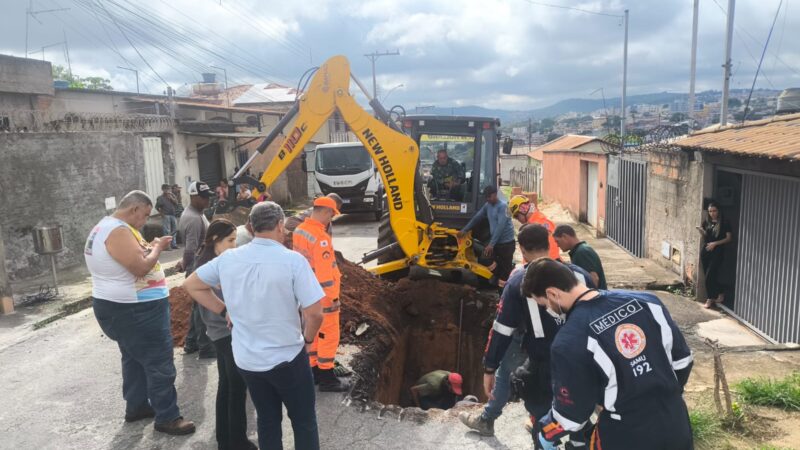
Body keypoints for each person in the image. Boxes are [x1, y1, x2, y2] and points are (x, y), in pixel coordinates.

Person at [183, 201, 325, 450]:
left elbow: (192, 285)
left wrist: (223, 309)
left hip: (248, 360)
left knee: (268, 421)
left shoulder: (228, 259)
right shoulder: (293, 261)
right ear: (281, 225)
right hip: (288, 357)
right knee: (303, 421)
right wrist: (308, 340)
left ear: (251, 226)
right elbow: (315, 314)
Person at [522, 259, 694, 450]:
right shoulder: (647, 301)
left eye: (543, 304)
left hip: (625, 435)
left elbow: (571, 415)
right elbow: (683, 362)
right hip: (675, 422)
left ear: (552, 293)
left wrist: (546, 432)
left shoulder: (569, 341)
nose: (547, 310)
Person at [460, 225, 594, 438]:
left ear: (521, 249)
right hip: (579, 357)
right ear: (550, 244)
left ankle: (499, 421)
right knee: (576, 405)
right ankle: (577, 435)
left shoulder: (518, 280)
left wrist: (489, 366)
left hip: (540, 356)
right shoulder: (578, 275)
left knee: (510, 376)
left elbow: (502, 329)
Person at [84, 190, 195, 435]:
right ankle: (167, 417)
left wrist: (151, 246)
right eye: (144, 215)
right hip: (136, 309)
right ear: (134, 209)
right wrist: (159, 247)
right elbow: (141, 268)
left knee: (133, 358)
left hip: (123, 307)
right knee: (159, 362)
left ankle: (136, 406)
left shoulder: (107, 227)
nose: (145, 221)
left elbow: (133, 258)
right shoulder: (118, 231)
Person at [193, 219, 258, 450]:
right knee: (236, 388)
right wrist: (228, 312)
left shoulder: (208, 261)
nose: (235, 245)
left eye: (235, 240)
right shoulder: (216, 266)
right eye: (230, 240)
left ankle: (225, 439)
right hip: (226, 333)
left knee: (227, 386)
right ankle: (238, 442)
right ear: (214, 241)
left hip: (218, 332)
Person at [292, 196, 350, 392]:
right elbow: (325, 273)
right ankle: (327, 377)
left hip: (306, 294)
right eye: (331, 215)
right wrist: (333, 297)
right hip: (324, 296)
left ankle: (314, 370)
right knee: (329, 334)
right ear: (325, 211)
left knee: (314, 333)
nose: (331, 219)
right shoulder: (321, 238)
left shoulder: (299, 231)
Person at [179, 181, 215, 359]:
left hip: (199, 266)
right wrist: (186, 266)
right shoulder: (193, 219)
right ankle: (205, 347)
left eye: (208, 196)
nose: (207, 200)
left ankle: (191, 343)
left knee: (196, 308)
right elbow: (190, 249)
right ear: (194, 197)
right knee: (202, 308)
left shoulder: (197, 213)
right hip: (198, 268)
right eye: (203, 197)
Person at [458, 185, 516, 287]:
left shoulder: (503, 207)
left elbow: (500, 227)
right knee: (484, 259)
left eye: (489, 197)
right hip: (496, 242)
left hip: (506, 244)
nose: (488, 199)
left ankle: (504, 291)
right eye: (486, 197)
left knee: (505, 272)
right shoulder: (487, 205)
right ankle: (492, 280)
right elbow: (477, 218)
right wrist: (465, 230)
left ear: (495, 195)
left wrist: (491, 244)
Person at [696, 201, 734, 309]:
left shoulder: (724, 222)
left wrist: (715, 244)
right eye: (710, 211)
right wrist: (701, 231)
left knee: (709, 277)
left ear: (718, 210)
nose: (712, 213)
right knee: (711, 276)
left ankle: (710, 298)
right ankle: (721, 292)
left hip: (717, 252)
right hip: (706, 251)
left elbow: (729, 238)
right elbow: (706, 236)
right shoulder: (707, 221)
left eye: (714, 211)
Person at [553, 224, 607, 289]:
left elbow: (594, 279)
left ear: (564, 236)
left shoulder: (582, 252)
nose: (557, 245)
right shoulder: (579, 251)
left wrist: (588, 298)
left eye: (557, 241)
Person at [508, 195, 560, 260]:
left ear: (523, 210)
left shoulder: (536, 227)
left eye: (517, 216)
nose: (517, 219)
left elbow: (551, 251)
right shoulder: (541, 221)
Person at [155, 184, 179, 250]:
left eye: (168, 189)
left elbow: (177, 203)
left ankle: (174, 244)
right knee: (167, 231)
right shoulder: (160, 198)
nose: (168, 190)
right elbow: (157, 207)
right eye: (166, 189)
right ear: (163, 190)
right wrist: (161, 214)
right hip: (166, 215)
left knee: (174, 230)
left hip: (173, 215)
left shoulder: (172, 196)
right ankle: (167, 246)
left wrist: (171, 198)